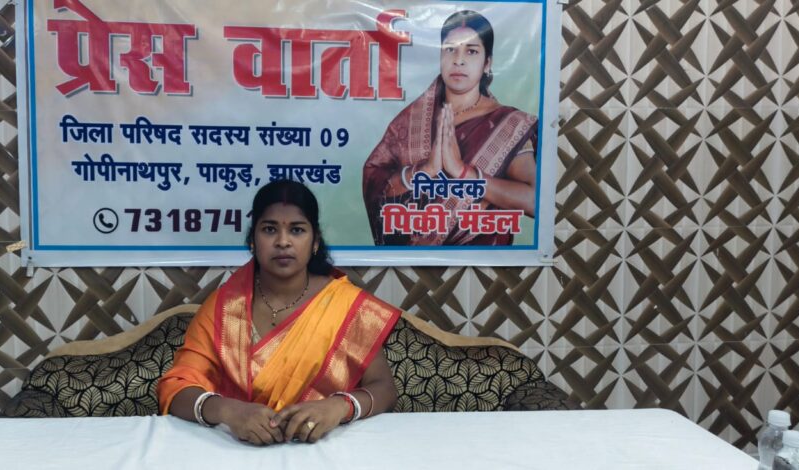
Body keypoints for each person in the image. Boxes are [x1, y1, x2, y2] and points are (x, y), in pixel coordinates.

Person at [157, 180, 401, 445]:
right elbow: (176, 387)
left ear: (315, 241)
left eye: (297, 230)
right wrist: (228, 411)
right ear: (252, 240)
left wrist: (338, 407)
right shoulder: (225, 308)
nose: (283, 242)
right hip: (236, 450)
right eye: (270, 229)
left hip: (325, 449)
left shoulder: (346, 306)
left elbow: (384, 389)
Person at [362, 10, 538, 246]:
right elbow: (376, 183)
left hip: (482, 261)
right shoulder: (410, 121)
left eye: (471, 51)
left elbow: (535, 201)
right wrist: (424, 171)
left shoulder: (507, 125)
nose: (458, 60)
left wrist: (464, 173)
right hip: (412, 263)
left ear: (487, 63)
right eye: (450, 49)